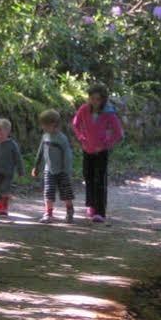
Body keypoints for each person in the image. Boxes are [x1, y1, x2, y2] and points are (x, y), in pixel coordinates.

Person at [72, 82, 123, 223]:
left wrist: (106, 144)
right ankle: (91, 206)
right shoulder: (83, 109)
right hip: (87, 150)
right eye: (92, 98)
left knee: (100, 180)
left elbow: (118, 133)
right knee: (88, 178)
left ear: (103, 99)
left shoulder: (109, 113)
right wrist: (81, 137)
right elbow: (75, 124)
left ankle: (100, 211)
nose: (94, 101)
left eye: (97, 99)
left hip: (101, 152)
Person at [31, 109, 74, 223]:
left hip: (62, 170)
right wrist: (36, 166)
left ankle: (69, 211)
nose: (43, 127)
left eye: (45, 124)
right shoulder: (45, 137)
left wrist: (67, 170)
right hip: (48, 169)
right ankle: (48, 213)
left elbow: (67, 155)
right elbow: (40, 152)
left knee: (66, 192)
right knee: (48, 191)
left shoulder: (62, 139)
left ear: (54, 124)